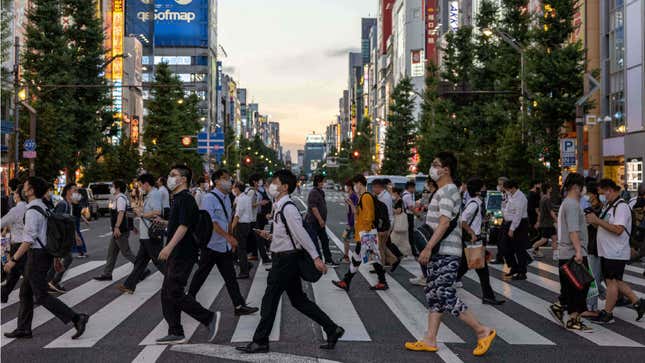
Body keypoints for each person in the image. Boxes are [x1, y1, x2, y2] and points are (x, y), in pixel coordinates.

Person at [236, 169, 344, 353]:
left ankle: (261, 341)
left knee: (270, 300)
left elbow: (301, 234)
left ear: (285, 187)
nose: (271, 185)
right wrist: (270, 236)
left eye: (275, 182)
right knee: (298, 300)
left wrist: (316, 258)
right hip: (285, 258)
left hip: (285, 261)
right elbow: (288, 234)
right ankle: (332, 328)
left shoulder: (288, 207)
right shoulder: (279, 206)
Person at [405, 152, 496, 356]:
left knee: (445, 293)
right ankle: (430, 339)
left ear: (446, 169)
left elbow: (445, 222)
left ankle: (482, 331)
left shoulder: (447, 191)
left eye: (435, 164)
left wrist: (428, 247)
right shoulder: (444, 190)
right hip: (442, 251)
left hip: (445, 251)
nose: (432, 168)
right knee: (434, 295)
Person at [3, 176, 89, 340]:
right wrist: (55, 257)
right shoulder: (42, 207)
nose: (23, 188)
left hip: (36, 256)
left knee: (41, 295)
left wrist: (13, 260)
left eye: (26, 186)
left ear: (31, 190)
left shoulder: (32, 211)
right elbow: (48, 235)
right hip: (42, 254)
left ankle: (77, 318)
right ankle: (23, 328)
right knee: (25, 293)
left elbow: (28, 240)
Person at [155, 165, 221, 344]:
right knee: (167, 293)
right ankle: (175, 331)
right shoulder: (178, 198)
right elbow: (179, 223)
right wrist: (166, 223)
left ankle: (208, 318)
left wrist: (168, 247)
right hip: (177, 252)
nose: (170, 177)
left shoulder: (185, 198)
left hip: (183, 253)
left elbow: (184, 226)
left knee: (174, 291)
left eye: (173, 175)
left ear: (183, 179)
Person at [187, 169, 258, 316]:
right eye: (225, 179)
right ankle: (188, 300)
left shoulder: (227, 198)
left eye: (229, 178)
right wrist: (228, 237)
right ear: (217, 181)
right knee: (201, 274)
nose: (229, 181)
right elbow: (212, 222)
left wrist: (230, 238)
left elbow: (227, 220)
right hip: (211, 245)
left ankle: (239, 306)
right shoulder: (209, 198)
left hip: (223, 246)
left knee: (230, 277)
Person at [586, 178, 645, 323]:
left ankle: (607, 313)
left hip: (615, 252)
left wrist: (598, 221)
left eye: (603, 193)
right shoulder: (610, 205)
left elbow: (618, 229)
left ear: (610, 190)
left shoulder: (621, 207)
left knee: (611, 282)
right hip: (608, 251)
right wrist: (593, 221)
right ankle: (638, 303)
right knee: (616, 281)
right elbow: (605, 226)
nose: (602, 196)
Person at [546, 173, 593, 331]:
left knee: (571, 287)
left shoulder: (567, 203)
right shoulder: (572, 204)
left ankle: (561, 307)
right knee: (580, 287)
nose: (583, 189)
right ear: (576, 187)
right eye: (582, 186)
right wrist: (579, 251)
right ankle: (573, 319)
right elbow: (573, 230)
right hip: (573, 252)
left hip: (567, 251)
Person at [332, 174, 389, 291]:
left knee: (370, 258)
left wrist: (366, 234)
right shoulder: (363, 196)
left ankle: (347, 281)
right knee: (362, 259)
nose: (354, 187)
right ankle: (346, 281)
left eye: (354, 184)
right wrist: (352, 205)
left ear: (359, 183)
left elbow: (368, 217)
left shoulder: (366, 197)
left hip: (366, 233)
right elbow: (359, 214)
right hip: (364, 234)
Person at [456, 177, 505, 305]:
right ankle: (488, 297)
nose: (485, 189)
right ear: (477, 191)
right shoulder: (474, 203)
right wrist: (472, 232)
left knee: (467, 267)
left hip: (474, 241)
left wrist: (482, 221)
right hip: (473, 240)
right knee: (481, 271)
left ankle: (443, 284)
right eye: (483, 187)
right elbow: (462, 220)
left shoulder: (476, 202)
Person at [117, 174, 166, 294]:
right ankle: (129, 285)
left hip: (151, 235)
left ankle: (176, 282)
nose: (140, 187)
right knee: (140, 263)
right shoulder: (150, 194)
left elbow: (157, 212)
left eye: (140, 184)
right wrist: (139, 212)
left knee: (159, 262)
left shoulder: (155, 194)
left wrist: (142, 214)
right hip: (146, 236)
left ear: (146, 183)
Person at [94, 180, 136, 281]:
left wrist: (117, 227)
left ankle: (142, 269)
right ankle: (107, 274)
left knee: (126, 252)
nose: (110, 188)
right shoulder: (119, 198)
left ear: (117, 188)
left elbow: (121, 213)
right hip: (117, 230)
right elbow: (128, 214)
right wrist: (131, 226)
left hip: (120, 231)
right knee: (111, 252)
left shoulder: (120, 198)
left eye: (112, 186)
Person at [47, 183, 83, 293]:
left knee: (64, 259)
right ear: (68, 191)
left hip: (62, 238)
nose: (77, 193)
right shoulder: (63, 204)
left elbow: (70, 223)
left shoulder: (69, 205)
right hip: (58, 238)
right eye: (75, 190)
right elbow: (55, 221)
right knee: (66, 258)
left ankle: (51, 282)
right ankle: (51, 282)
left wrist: (76, 236)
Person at [581, 182, 606, 317]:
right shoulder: (591, 208)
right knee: (599, 277)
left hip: (597, 247)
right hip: (593, 246)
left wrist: (593, 221)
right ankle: (612, 296)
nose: (586, 197)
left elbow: (600, 227)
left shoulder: (599, 209)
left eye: (588, 194)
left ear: (593, 194)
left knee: (594, 278)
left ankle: (592, 307)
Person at [500, 179, 532, 280]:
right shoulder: (510, 195)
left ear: (512, 188)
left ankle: (522, 272)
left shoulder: (521, 197)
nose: (506, 191)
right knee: (504, 246)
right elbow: (507, 209)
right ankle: (514, 267)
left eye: (507, 189)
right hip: (508, 222)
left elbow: (518, 215)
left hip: (519, 224)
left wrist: (512, 229)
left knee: (519, 249)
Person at [1, 184, 28, 303]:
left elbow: (2, 222)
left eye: (15, 193)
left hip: (18, 245)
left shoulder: (16, 209)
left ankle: (4, 293)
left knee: (16, 273)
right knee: (16, 274)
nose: (13, 196)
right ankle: (4, 293)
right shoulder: (29, 207)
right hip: (29, 246)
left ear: (17, 195)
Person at [305, 174, 337, 266]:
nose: (324, 183)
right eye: (323, 181)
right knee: (313, 242)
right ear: (319, 182)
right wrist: (320, 220)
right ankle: (313, 261)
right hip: (313, 222)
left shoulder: (320, 192)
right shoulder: (314, 192)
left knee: (324, 240)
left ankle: (328, 259)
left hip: (319, 222)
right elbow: (313, 207)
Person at [372, 178, 402, 270]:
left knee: (380, 246)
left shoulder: (384, 198)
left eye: (374, 187)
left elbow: (382, 214)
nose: (373, 189)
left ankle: (382, 266)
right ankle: (393, 260)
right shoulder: (384, 195)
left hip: (384, 224)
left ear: (378, 187)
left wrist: (381, 228)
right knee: (382, 245)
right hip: (386, 223)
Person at [232, 181, 254, 279]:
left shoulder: (241, 199)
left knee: (241, 249)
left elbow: (237, 215)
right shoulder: (245, 198)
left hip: (241, 225)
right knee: (241, 248)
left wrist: (231, 227)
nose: (233, 189)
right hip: (247, 224)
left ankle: (244, 272)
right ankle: (246, 264)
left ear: (237, 188)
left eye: (234, 187)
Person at [249, 174, 271, 264]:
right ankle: (265, 258)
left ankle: (255, 254)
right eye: (259, 180)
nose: (260, 182)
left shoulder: (256, 191)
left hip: (255, 217)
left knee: (257, 238)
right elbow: (249, 205)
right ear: (254, 181)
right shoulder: (251, 192)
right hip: (252, 218)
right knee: (259, 238)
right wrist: (260, 203)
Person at [531, 183, 557, 258]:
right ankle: (530, 249)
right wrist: (556, 219)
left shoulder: (543, 198)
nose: (551, 188)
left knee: (554, 238)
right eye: (550, 187)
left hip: (548, 222)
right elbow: (551, 211)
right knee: (544, 239)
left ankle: (555, 255)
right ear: (548, 189)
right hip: (547, 223)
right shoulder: (546, 199)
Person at [490, 177, 510, 265]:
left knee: (503, 240)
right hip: (500, 218)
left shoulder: (508, 195)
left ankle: (503, 257)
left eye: (501, 184)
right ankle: (500, 257)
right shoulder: (501, 194)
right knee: (500, 240)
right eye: (498, 184)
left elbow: (505, 207)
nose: (499, 186)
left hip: (507, 219)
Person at [342, 179, 358, 263]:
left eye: (346, 186)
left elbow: (352, 211)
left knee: (346, 238)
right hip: (351, 221)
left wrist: (348, 203)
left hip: (352, 221)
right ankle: (347, 256)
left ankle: (346, 257)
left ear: (350, 187)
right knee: (347, 238)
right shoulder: (351, 196)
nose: (345, 188)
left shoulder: (353, 196)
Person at [402, 181, 418, 256]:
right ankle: (413, 251)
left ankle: (411, 250)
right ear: (410, 187)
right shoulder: (408, 196)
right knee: (410, 234)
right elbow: (411, 208)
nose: (415, 189)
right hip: (409, 216)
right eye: (414, 187)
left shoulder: (404, 194)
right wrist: (418, 215)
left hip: (406, 216)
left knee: (408, 234)